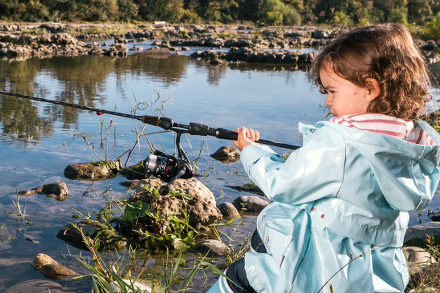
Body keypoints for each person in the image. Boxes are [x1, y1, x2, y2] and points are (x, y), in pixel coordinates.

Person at [207, 23, 440, 293]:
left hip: (318, 265)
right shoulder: (412, 142)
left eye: (332, 91)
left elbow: (283, 184)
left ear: (369, 89)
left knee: (234, 282)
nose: (327, 102)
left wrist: (251, 150)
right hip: (373, 272)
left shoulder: (339, 142)